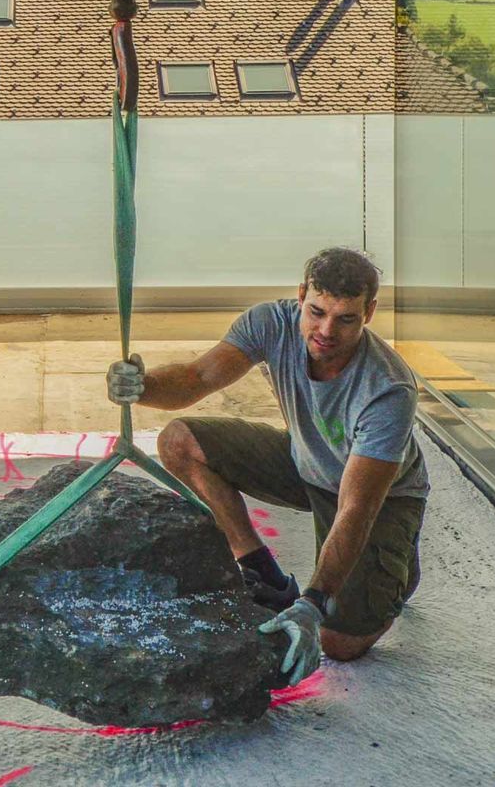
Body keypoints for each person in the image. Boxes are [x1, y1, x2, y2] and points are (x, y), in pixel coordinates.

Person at [119, 246, 427, 684]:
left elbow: (357, 508)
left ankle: (395, 568)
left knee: (337, 644)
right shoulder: (270, 323)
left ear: (369, 313)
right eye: (317, 312)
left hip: (379, 495)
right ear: (301, 295)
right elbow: (197, 379)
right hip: (304, 461)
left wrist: (313, 603)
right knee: (178, 441)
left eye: (346, 319)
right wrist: (141, 387)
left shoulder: (388, 389)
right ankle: (263, 572)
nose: (325, 331)